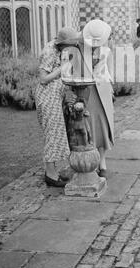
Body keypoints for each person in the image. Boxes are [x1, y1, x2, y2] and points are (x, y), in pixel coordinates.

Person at [35, 27, 80, 188]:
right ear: (62, 44)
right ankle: (50, 175)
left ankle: (52, 171)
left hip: (55, 97)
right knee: (52, 134)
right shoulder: (49, 51)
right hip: (47, 97)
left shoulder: (60, 50)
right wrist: (63, 69)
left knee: (56, 133)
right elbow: (43, 79)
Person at [83, 20, 115, 179]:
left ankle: (98, 163)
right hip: (100, 90)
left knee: (94, 127)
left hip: (91, 91)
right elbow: (110, 73)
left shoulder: (82, 52)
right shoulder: (106, 51)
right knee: (98, 126)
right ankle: (101, 163)